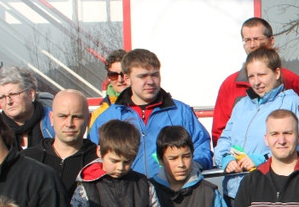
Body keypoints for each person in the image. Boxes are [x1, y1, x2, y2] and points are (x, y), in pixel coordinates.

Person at [88, 48, 212, 178]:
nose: (151, 82)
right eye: (143, 76)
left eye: (155, 75)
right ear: (127, 78)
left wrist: (192, 168)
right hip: (127, 189)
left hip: (173, 189)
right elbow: (94, 159)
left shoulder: (181, 112)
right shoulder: (108, 117)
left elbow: (201, 147)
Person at [213, 47, 299, 198]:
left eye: (262, 75)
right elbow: (225, 139)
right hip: (235, 193)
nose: (257, 82)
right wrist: (225, 159)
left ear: (277, 73)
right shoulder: (241, 105)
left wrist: (264, 159)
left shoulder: (293, 102)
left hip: (270, 191)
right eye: (251, 76)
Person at [212, 17, 299, 144]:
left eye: (257, 39)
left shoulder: (294, 81)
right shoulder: (231, 85)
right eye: (247, 40)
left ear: (271, 40)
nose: (252, 45)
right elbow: (220, 133)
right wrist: (227, 155)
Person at [24, 88, 95, 201]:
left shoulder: (99, 161)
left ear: (88, 119)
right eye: (63, 116)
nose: (69, 124)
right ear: (51, 118)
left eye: (76, 117)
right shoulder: (28, 160)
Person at [0, 66, 54, 149]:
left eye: (13, 94)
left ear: (31, 94)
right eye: (2, 97)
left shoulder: (54, 122)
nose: (8, 102)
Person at [90, 49, 128, 128]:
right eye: (114, 75)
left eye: (124, 74)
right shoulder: (99, 115)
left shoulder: (145, 107)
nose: (120, 80)